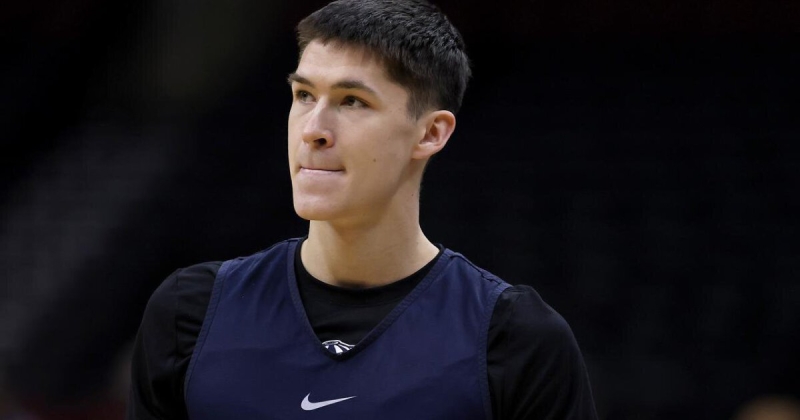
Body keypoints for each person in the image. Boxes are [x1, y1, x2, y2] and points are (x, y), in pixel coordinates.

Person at [126, 0, 598, 418]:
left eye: (352, 101)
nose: (313, 129)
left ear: (431, 133)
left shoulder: (514, 339)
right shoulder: (191, 313)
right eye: (304, 95)